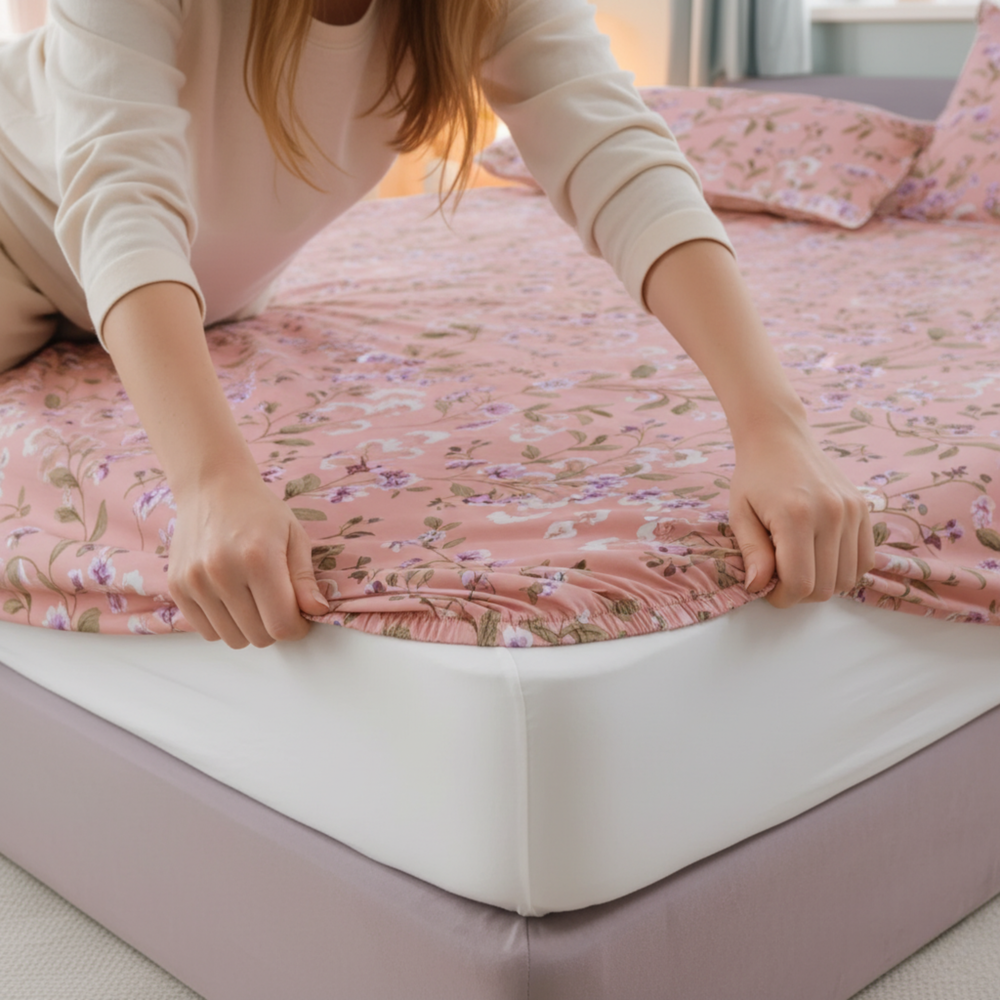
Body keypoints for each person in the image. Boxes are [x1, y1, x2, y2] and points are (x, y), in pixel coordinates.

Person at [0, 0, 874, 649]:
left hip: (199, 292)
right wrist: (211, 482)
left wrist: (773, 427)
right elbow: (120, 192)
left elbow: (614, 150)